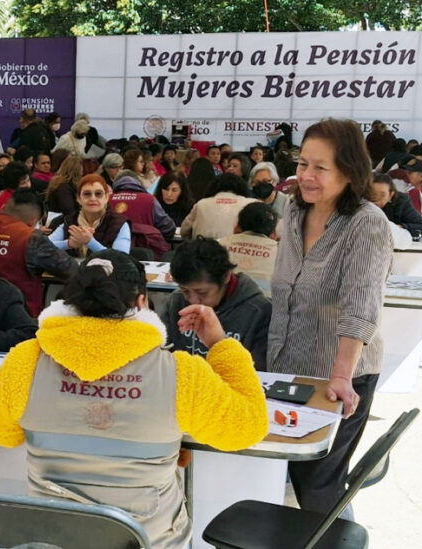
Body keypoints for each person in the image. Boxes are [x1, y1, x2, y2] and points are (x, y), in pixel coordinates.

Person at [0, 249, 268, 549]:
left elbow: (0, 434)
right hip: (151, 540)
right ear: (141, 303)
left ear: (70, 301)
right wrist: (221, 346)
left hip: (51, 540)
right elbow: (248, 428)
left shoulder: (26, 361)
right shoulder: (181, 373)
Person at [267, 118, 393, 517]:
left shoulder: (366, 223)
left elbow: (361, 306)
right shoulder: (293, 211)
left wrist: (340, 376)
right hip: (289, 370)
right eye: (303, 164)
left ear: (349, 170)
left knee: (319, 485)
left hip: (339, 377)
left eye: (320, 168)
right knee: (295, 472)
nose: (306, 175)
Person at [166, 237, 271, 370]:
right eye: (185, 291)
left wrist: (219, 343)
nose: (192, 300)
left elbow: (257, 372)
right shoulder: (176, 302)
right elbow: (163, 355)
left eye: (202, 293)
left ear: (226, 277)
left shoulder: (259, 311)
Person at [0, 189, 77, 317]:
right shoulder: (31, 237)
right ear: (33, 221)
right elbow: (71, 270)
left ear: (4, 207)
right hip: (19, 317)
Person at [49, 174, 131, 257]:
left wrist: (90, 242)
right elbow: (41, 247)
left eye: (98, 194)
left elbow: (122, 259)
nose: (93, 198)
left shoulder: (120, 224)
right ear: (78, 199)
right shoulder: (69, 221)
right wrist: (69, 243)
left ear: (106, 197)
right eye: (87, 194)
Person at [218, 202, 279, 295]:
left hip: (223, 306)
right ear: (274, 234)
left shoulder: (217, 244)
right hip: (268, 306)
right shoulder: (285, 253)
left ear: (236, 228)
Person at [110, 172, 176, 256]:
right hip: (146, 253)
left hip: (113, 254)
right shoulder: (149, 200)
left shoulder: (107, 200)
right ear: (138, 183)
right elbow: (168, 228)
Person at [371, 172, 422, 236]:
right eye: (372, 194)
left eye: (382, 195)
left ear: (391, 195)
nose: (376, 199)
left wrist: (398, 227)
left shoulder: (400, 201)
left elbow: (420, 225)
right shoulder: (359, 201)